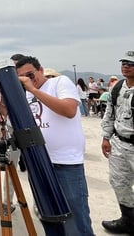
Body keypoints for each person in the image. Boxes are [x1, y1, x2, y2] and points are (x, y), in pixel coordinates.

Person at [16, 56, 94, 236]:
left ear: (41, 70)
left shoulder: (60, 82)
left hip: (66, 163)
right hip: (40, 163)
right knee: (49, 218)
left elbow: (69, 110)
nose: (28, 79)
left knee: (75, 221)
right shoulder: (27, 94)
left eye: (30, 74)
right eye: (22, 77)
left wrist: (33, 90)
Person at [101, 51, 134, 234]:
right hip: (119, 144)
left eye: (131, 63)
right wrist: (106, 137)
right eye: (124, 62)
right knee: (119, 183)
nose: (126, 66)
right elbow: (109, 113)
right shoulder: (117, 87)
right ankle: (128, 221)